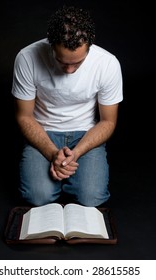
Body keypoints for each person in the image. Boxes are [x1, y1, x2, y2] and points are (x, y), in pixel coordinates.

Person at [11, 5, 123, 207]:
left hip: (86, 133)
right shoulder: (26, 58)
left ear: (90, 43)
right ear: (50, 43)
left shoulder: (108, 63)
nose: (70, 70)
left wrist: (76, 154)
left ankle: (68, 175)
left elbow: (108, 121)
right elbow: (24, 117)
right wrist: (53, 153)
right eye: (62, 62)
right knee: (37, 197)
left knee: (92, 198)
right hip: (43, 131)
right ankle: (60, 177)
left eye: (77, 63)